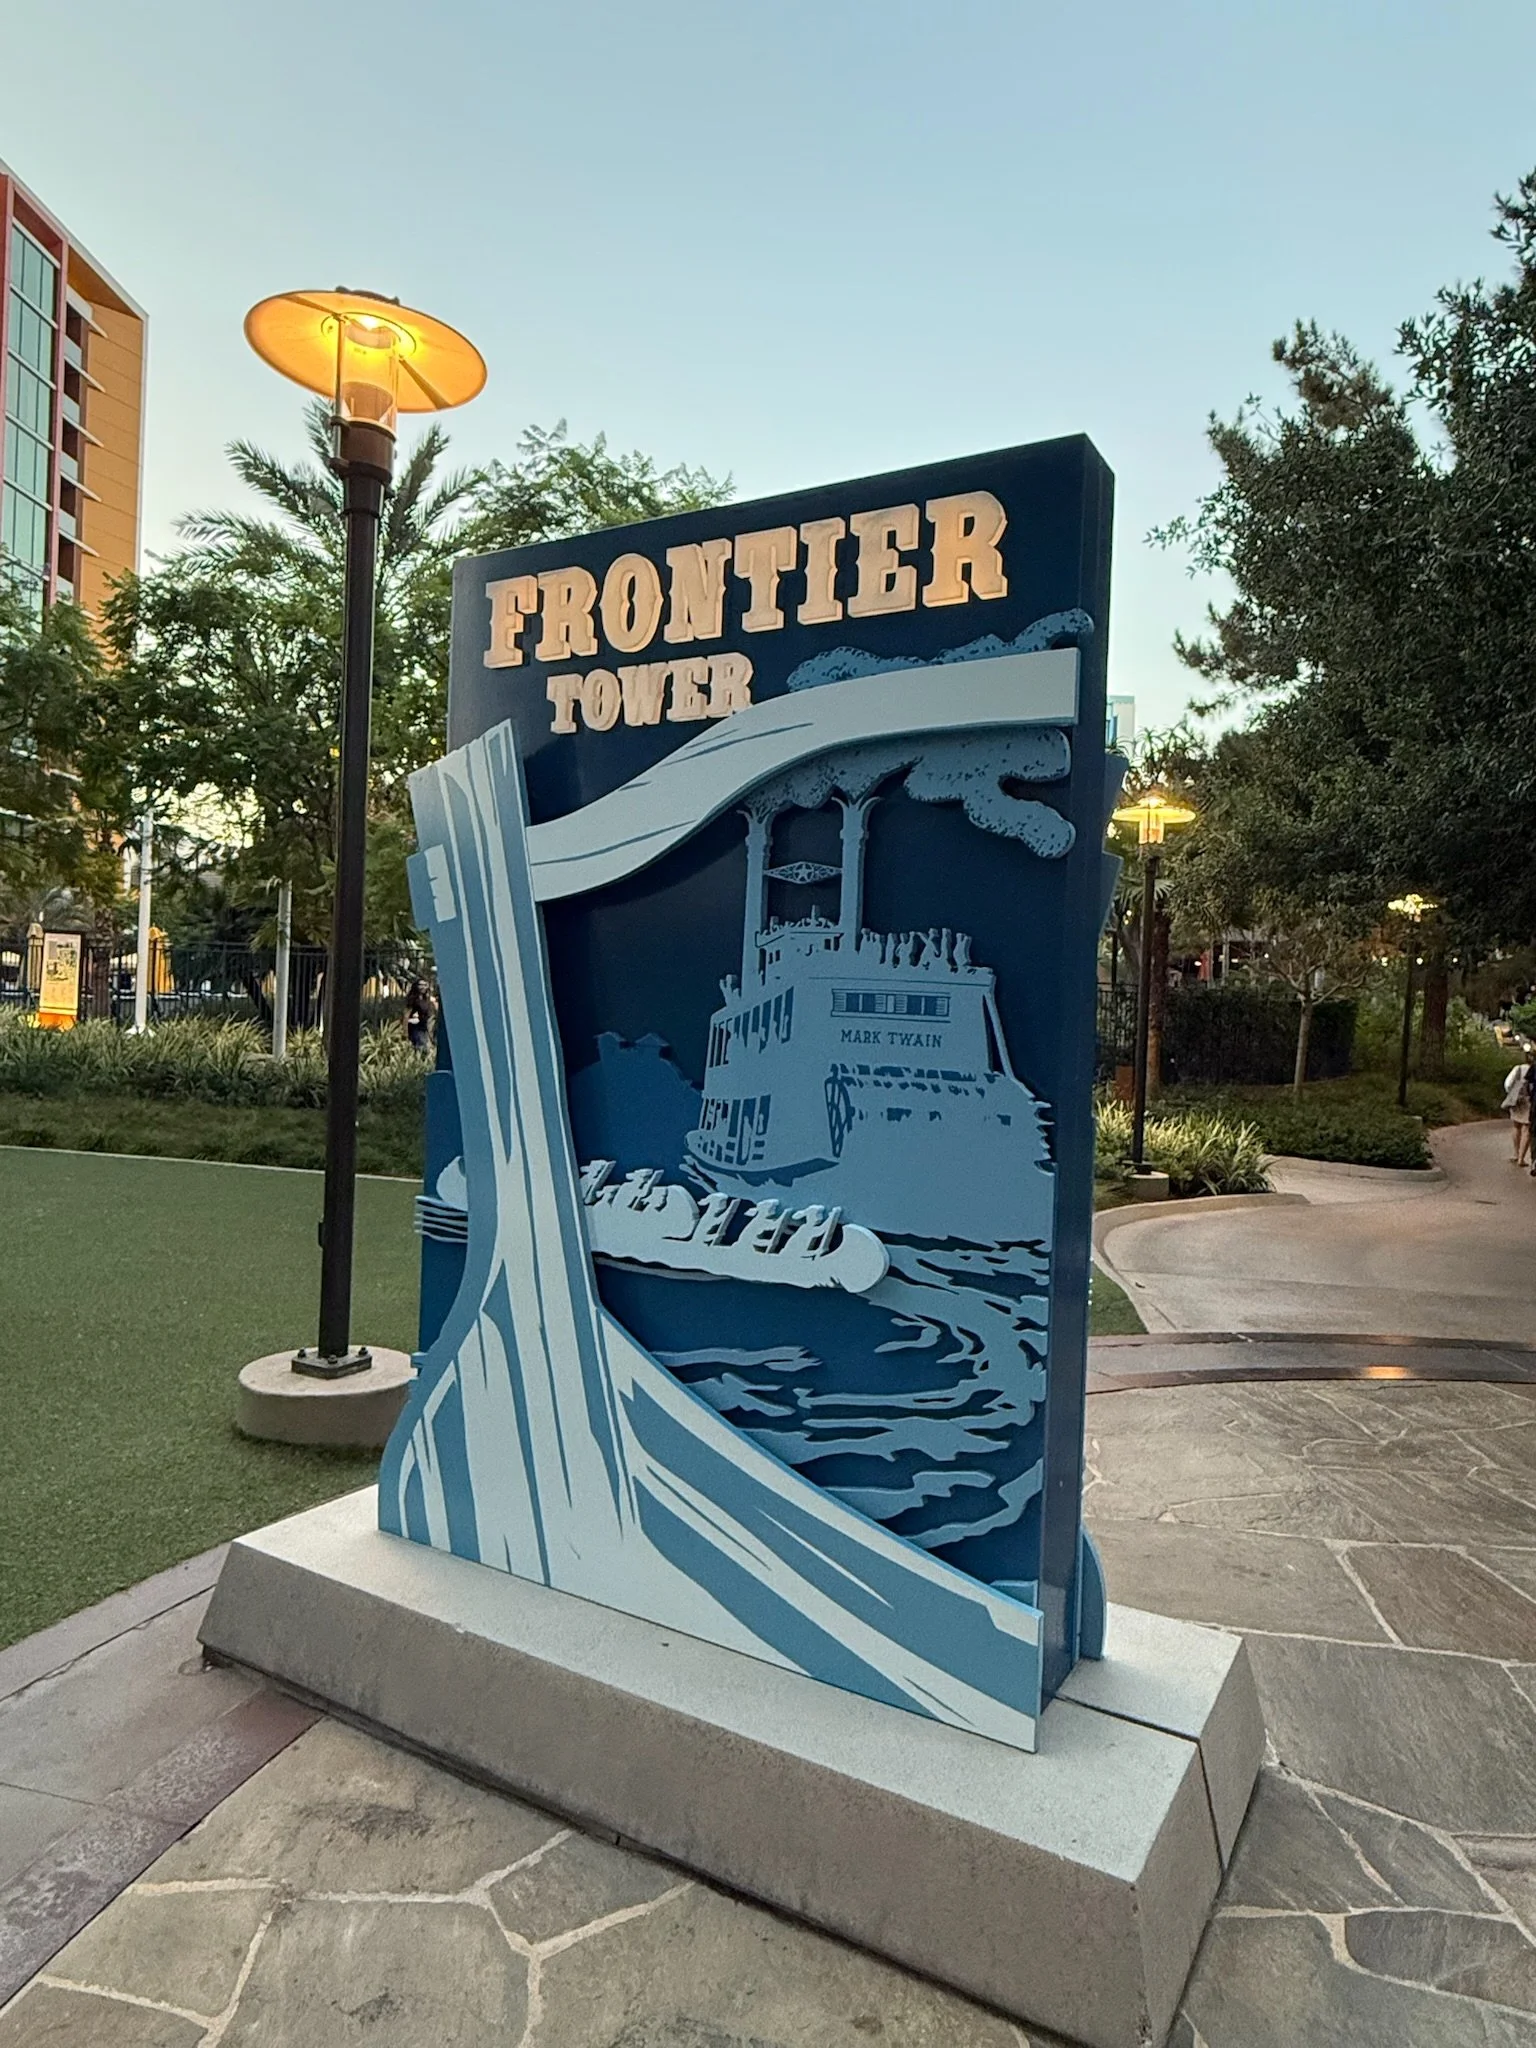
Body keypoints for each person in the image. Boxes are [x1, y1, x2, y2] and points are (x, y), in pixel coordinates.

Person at [1502, 1053, 1533, 1166]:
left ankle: (1515, 1154)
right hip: (1529, 1101)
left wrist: (1513, 1094)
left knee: (1516, 1126)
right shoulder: (1533, 1070)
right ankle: (1521, 1158)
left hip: (1517, 1100)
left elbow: (1507, 1084)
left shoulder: (1518, 1068)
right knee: (1527, 1129)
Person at [404, 977, 436, 1053]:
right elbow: (406, 1015)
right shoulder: (413, 1000)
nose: (423, 987)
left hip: (424, 1028)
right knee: (421, 1049)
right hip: (415, 1029)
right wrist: (405, 1032)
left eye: (425, 985)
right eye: (420, 985)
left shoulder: (426, 1000)